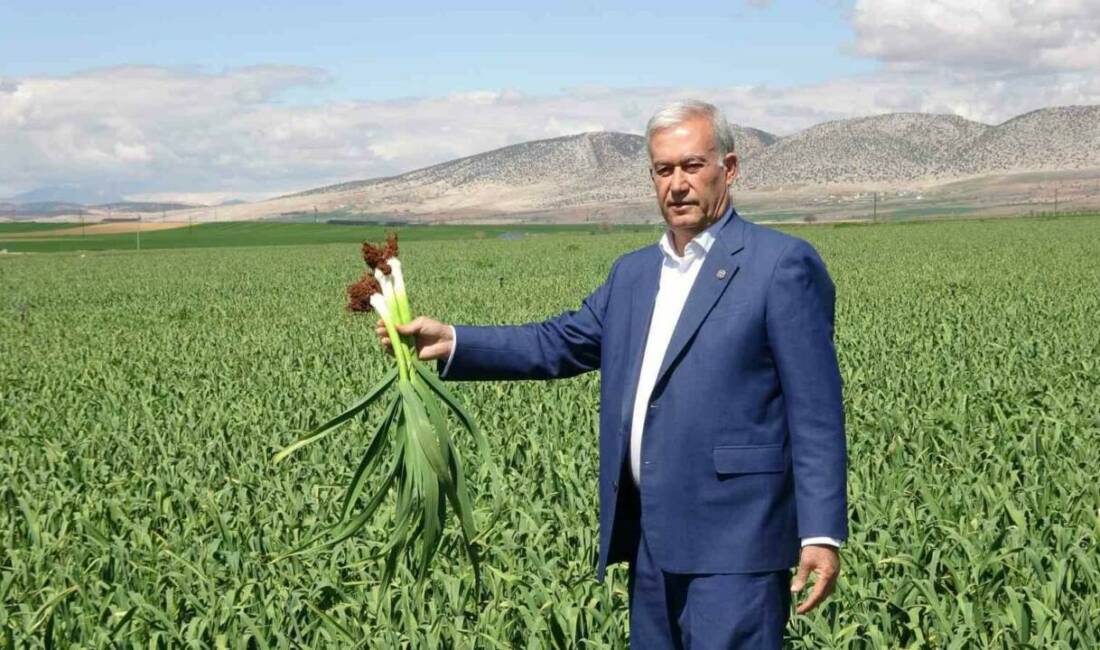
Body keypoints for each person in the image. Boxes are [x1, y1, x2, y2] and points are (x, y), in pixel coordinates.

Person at [377, 99, 847, 648]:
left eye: (692, 166)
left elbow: (815, 410)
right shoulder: (634, 274)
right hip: (650, 543)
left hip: (738, 547)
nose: (677, 184)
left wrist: (821, 531)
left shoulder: (779, 264)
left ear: (730, 168)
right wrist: (453, 340)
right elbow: (558, 343)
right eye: (663, 169)